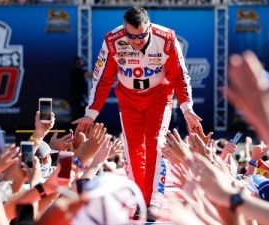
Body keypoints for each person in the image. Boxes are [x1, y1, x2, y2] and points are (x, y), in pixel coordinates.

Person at [73, 6, 201, 222]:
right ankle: (140, 199)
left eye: (142, 35)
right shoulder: (113, 40)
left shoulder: (167, 38)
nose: (137, 41)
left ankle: (153, 201)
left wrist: (188, 109)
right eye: (131, 36)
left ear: (149, 27)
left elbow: (180, 76)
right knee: (133, 149)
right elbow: (102, 78)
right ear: (124, 30)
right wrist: (90, 114)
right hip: (129, 99)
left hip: (158, 96)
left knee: (155, 144)